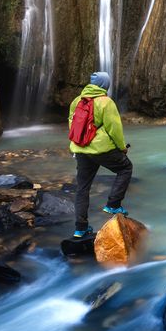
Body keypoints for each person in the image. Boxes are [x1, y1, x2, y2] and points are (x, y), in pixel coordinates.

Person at [67, 71, 132, 238]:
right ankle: (113, 204)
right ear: (105, 85)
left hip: (81, 149)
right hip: (101, 149)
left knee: (82, 188)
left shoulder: (77, 100)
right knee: (125, 168)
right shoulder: (106, 102)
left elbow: (71, 124)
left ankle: (80, 228)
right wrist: (122, 148)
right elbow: (114, 129)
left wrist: (80, 144)